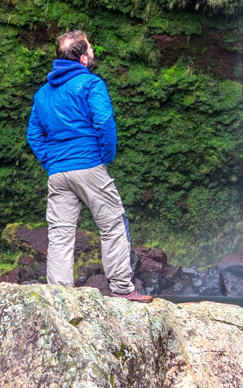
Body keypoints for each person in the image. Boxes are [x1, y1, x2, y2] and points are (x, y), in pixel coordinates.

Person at [25, 30, 153, 302]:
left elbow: (33, 135)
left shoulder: (42, 94)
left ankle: (59, 296)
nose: (94, 52)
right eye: (91, 49)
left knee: (60, 234)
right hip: (88, 164)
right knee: (112, 224)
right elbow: (104, 121)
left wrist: (51, 160)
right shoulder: (90, 84)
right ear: (83, 58)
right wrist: (103, 155)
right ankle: (121, 289)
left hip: (58, 173)